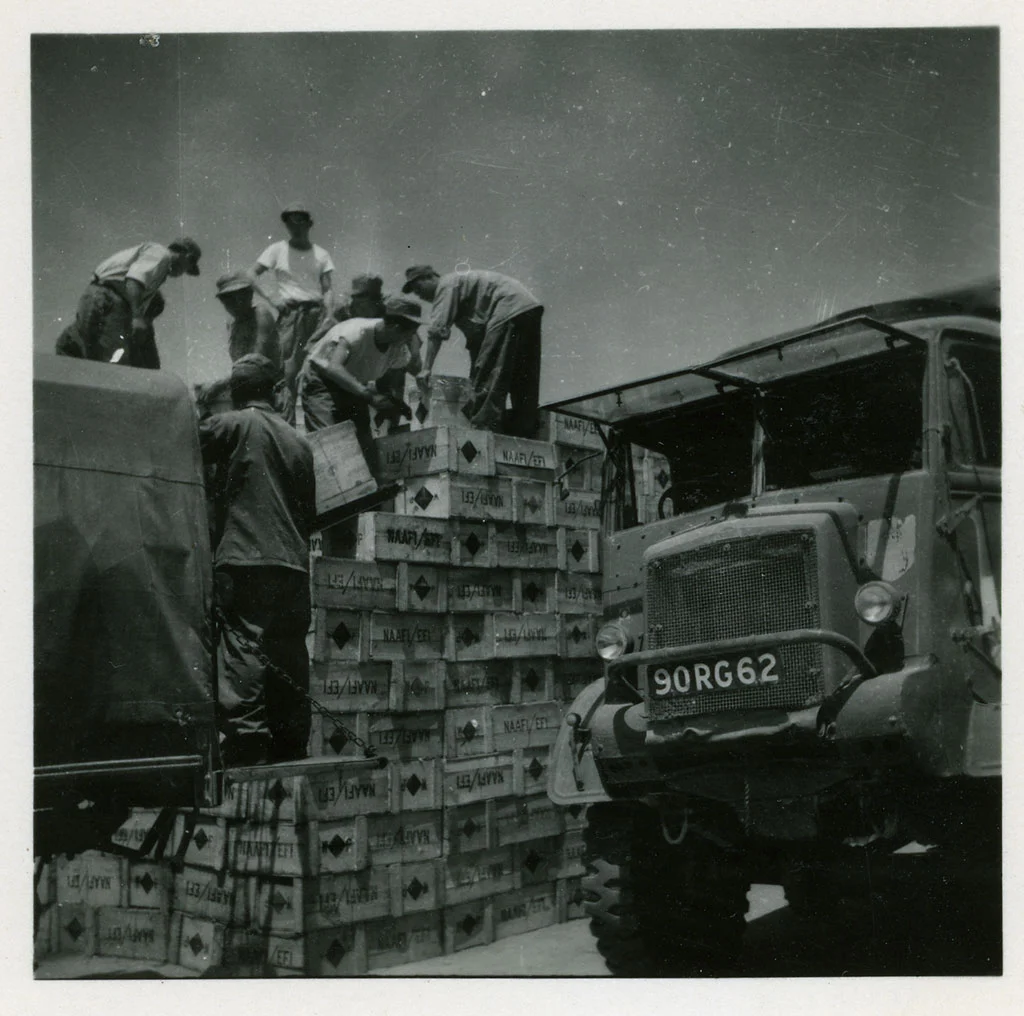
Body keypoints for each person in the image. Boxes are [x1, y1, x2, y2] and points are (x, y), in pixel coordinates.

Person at [199, 354, 316, 766]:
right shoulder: (299, 441)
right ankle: (291, 745)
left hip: (247, 558)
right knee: (288, 654)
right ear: (275, 391)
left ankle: (247, 746)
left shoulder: (234, 424)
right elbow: (309, 512)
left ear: (236, 392)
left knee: (243, 648)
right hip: (294, 564)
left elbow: (185, 438)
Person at [402, 264, 544, 436]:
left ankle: (483, 432)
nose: (419, 295)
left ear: (430, 277)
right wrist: (474, 376)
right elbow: (477, 342)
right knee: (523, 378)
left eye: (418, 288)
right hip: (528, 307)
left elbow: (437, 330)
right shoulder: (464, 290)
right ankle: (526, 431)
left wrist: (426, 369)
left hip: (508, 306)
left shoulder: (445, 285)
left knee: (489, 378)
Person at [299, 295, 424, 473]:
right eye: (409, 335)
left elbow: (391, 382)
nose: (410, 341)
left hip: (355, 385)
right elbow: (334, 368)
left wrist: (394, 403)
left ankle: (366, 489)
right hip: (322, 380)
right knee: (329, 441)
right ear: (396, 328)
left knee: (363, 447)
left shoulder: (398, 351)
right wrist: (369, 396)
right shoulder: (356, 333)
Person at [57, 238, 202, 368]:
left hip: (102, 297)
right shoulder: (162, 255)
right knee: (108, 361)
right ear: (187, 256)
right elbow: (134, 281)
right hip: (108, 299)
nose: (182, 273)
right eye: (187, 268)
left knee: (77, 347)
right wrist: (137, 317)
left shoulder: (159, 263)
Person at [252, 203, 335, 424]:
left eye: (300, 221)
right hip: (291, 316)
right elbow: (251, 275)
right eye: (289, 222)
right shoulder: (277, 249)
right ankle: (286, 430)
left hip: (317, 315)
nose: (295, 226)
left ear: (309, 223)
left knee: (317, 372)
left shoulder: (321, 254)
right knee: (286, 374)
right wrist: (273, 299)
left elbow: (328, 288)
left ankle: (319, 430)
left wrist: (329, 315)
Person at [215, 270, 281, 366]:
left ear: (250, 295)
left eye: (241, 296)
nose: (236, 303)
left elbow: (257, 358)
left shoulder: (260, 314)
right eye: (228, 298)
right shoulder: (232, 324)